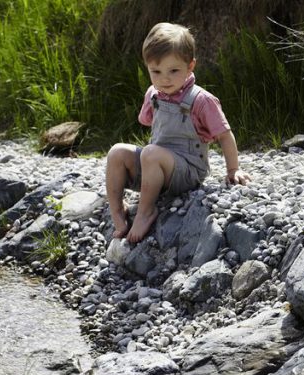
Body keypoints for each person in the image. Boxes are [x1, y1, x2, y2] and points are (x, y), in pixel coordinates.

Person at [105, 22, 251, 243]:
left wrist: (233, 169)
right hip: (155, 167)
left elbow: (224, 134)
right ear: (147, 68)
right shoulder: (154, 94)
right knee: (117, 152)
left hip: (188, 171)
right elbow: (146, 120)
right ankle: (117, 209)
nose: (165, 79)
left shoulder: (201, 100)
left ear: (190, 66)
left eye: (174, 71)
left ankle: (146, 212)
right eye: (156, 71)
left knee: (151, 153)